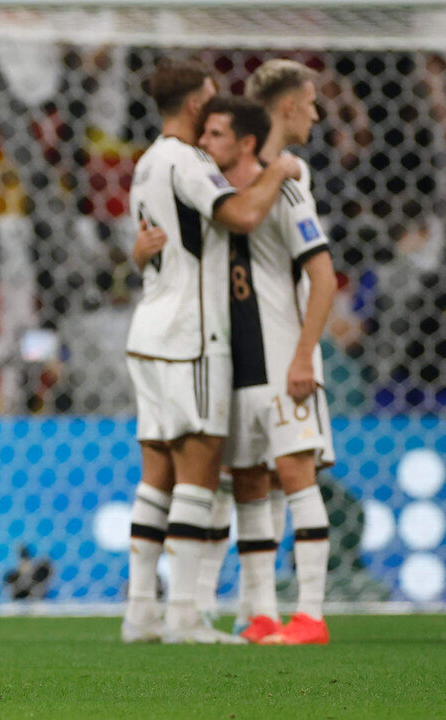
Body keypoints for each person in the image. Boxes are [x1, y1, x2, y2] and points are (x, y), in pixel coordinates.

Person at [121, 58, 302, 645]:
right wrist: (283, 170)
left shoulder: (146, 162)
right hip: (192, 338)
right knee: (198, 474)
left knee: (156, 478)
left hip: (148, 331)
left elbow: (158, 243)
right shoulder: (188, 161)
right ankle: (185, 617)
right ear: (197, 103)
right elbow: (245, 214)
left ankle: (140, 612)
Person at [235, 61, 336, 645]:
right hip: (248, 354)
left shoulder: (289, 183)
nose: (318, 114)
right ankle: (264, 613)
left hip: (287, 351)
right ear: (288, 108)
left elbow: (323, 277)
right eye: (312, 102)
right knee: (255, 483)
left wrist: (304, 356)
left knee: (293, 479)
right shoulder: (246, 182)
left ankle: (312, 616)